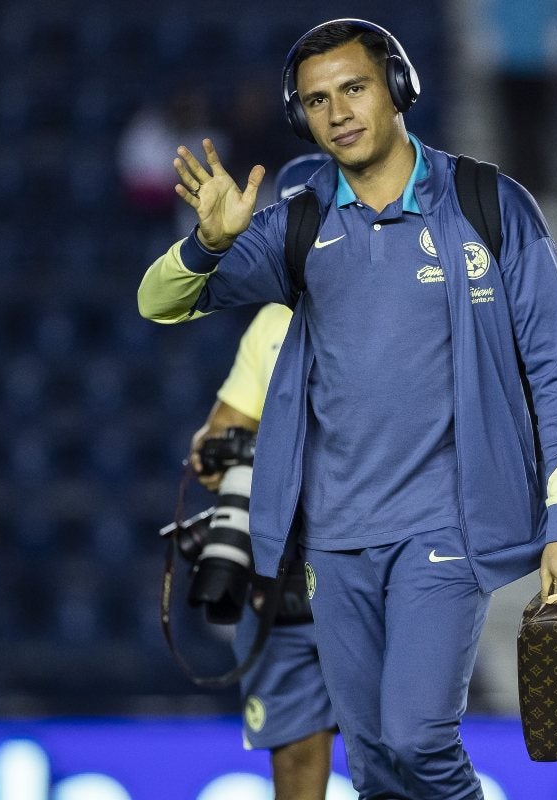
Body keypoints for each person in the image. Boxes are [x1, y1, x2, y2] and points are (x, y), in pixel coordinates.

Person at [138, 19, 557, 799]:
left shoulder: (490, 206)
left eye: (354, 88)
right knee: (377, 763)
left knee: (417, 737)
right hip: (332, 541)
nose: (338, 112)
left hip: (443, 530)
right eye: (317, 101)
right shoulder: (299, 218)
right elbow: (159, 302)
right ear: (301, 119)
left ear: (399, 89)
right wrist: (206, 245)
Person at [188, 153, 336, 800]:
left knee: (402, 751)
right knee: (296, 761)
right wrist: (219, 450)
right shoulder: (273, 322)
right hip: (285, 580)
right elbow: (217, 441)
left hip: (379, 570)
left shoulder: (416, 310)